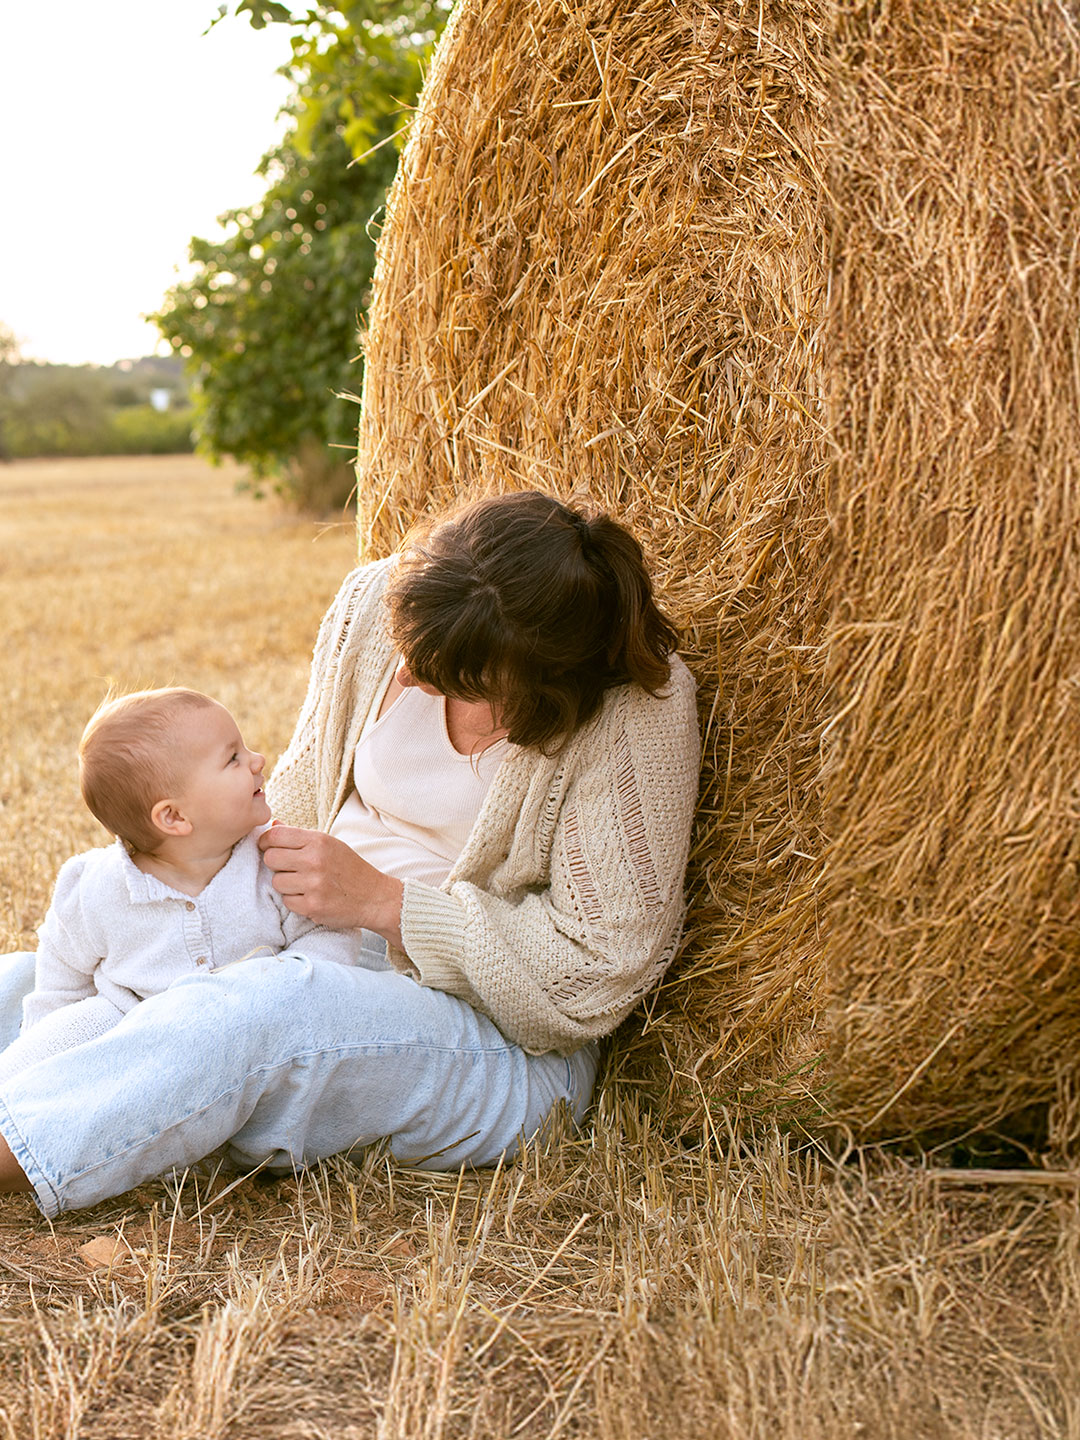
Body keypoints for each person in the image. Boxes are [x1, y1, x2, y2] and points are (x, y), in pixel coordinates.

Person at [0, 490, 700, 1216]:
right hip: (301, 945)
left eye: (450, 676)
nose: (406, 678)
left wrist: (384, 904)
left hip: (490, 1036)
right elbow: (298, 796)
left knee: (257, 1011)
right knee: (39, 985)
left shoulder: (632, 712)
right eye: (409, 649)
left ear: (536, 679)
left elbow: (596, 973)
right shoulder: (376, 602)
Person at [0, 688, 361, 1084]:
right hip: (129, 1027)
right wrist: (46, 1036)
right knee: (68, 1035)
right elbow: (61, 977)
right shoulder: (96, 888)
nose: (258, 760)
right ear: (173, 817)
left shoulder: (276, 860)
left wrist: (281, 989)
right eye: (233, 758)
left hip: (252, 1037)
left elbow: (328, 935)